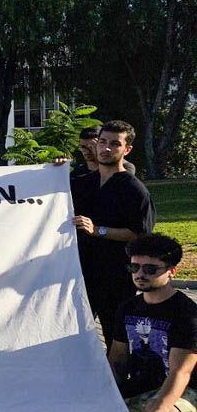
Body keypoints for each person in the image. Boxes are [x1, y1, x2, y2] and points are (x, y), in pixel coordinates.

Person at [88, 234, 196, 412]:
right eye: (134, 267)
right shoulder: (128, 308)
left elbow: (181, 372)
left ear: (171, 271)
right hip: (143, 390)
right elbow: (117, 360)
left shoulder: (187, 314)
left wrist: (160, 408)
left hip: (186, 392)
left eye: (150, 269)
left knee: (159, 408)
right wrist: (106, 400)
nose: (140, 274)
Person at [71, 120, 155, 346]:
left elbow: (139, 234)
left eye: (115, 144)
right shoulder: (80, 184)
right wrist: (54, 169)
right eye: (103, 142)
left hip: (115, 276)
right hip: (79, 274)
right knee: (73, 338)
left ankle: (118, 371)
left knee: (117, 340)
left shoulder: (134, 190)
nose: (106, 148)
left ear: (127, 149)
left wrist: (98, 230)